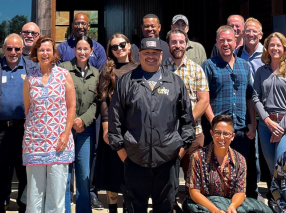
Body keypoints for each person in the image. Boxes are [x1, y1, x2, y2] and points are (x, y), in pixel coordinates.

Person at [108, 38, 195, 213]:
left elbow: (187, 120)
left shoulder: (175, 82)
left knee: (164, 208)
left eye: (154, 53)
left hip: (167, 160)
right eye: (146, 53)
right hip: (134, 159)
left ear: (161, 55)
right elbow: (115, 119)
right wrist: (122, 152)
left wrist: (180, 151)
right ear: (139, 55)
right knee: (134, 208)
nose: (150, 57)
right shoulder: (126, 82)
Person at [22, 37, 76, 213]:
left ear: (53, 53)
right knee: (34, 195)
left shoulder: (63, 75)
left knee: (56, 194)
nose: (45, 53)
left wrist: (66, 134)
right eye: (41, 50)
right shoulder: (30, 78)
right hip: (35, 141)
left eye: (48, 50)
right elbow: (28, 109)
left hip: (59, 141)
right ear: (35, 53)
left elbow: (71, 106)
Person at [0, 34, 35, 213]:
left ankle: (24, 208)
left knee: (25, 175)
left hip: (24, 130)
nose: (13, 52)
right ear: (3, 48)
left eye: (17, 49)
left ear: (22, 49)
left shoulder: (32, 68)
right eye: (9, 48)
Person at [185, 115, 269, 213]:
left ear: (232, 136)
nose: (221, 138)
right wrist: (215, 210)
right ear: (211, 133)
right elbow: (194, 192)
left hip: (228, 206)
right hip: (204, 206)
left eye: (226, 134)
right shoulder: (198, 157)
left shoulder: (240, 160)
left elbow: (240, 192)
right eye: (217, 133)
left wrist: (232, 207)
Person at [93, 34, 138, 213]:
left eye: (122, 44)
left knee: (130, 171)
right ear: (109, 51)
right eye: (114, 47)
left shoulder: (138, 68)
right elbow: (102, 99)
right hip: (112, 127)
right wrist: (105, 126)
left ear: (128, 46)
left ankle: (128, 208)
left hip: (134, 128)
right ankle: (112, 209)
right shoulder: (107, 70)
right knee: (113, 172)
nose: (118, 48)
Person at [202, 26, 257, 163]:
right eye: (222, 40)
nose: (225, 44)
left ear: (236, 41)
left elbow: (249, 96)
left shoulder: (244, 65)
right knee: (216, 172)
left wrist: (253, 123)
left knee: (239, 171)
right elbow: (204, 99)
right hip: (218, 132)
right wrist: (214, 123)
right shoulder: (209, 65)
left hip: (241, 129)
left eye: (229, 40)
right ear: (216, 42)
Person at [252, 33, 286, 176]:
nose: (275, 48)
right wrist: (267, 120)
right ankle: (276, 198)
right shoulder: (261, 71)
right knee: (272, 169)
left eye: (278, 45)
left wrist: (281, 127)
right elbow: (255, 97)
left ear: (285, 48)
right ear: (267, 48)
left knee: (283, 167)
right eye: (272, 45)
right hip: (265, 125)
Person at [161, 29, 210, 181]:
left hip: (194, 132)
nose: (178, 45)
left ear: (186, 44)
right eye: (174, 42)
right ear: (168, 45)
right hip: (166, 134)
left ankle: (191, 204)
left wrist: (185, 122)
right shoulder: (159, 70)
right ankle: (171, 204)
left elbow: (203, 100)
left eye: (181, 42)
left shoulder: (197, 69)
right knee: (168, 177)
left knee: (194, 178)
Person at [60, 36, 100, 213]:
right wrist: (73, 120)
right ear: (74, 50)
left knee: (84, 176)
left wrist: (83, 120)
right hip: (66, 130)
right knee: (65, 176)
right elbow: (60, 98)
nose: (82, 52)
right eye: (79, 48)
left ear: (92, 51)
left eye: (86, 49)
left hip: (86, 130)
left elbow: (97, 103)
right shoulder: (63, 70)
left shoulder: (97, 74)